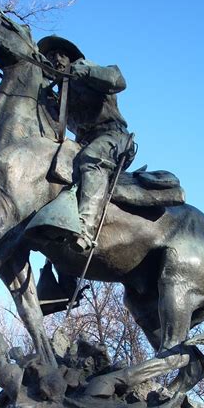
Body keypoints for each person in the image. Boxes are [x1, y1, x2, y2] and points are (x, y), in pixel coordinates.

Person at [38, 35, 135, 252]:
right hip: (82, 145)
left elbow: (118, 80)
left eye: (60, 54)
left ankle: (86, 228)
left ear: (71, 57)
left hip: (114, 138)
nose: (56, 59)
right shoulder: (59, 94)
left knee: (91, 159)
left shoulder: (87, 70)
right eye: (50, 57)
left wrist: (88, 72)